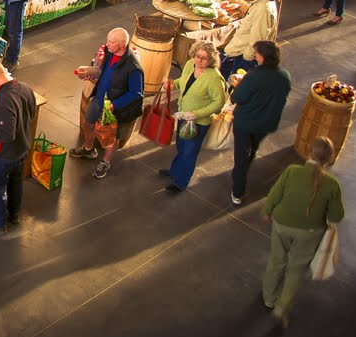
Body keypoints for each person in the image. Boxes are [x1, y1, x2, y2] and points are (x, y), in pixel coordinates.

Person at [260, 137, 344, 328]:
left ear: (309, 152)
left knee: (277, 259)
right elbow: (337, 215)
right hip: (310, 232)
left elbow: (275, 193)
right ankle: (281, 307)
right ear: (329, 158)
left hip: (282, 223)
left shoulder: (292, 172)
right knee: (296, 270)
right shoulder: (332, 185)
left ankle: (268, 297)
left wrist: (267, 211)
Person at [69, 27, 144, 179]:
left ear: (122, 44)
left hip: (116, 107)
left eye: (111, 42)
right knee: (88, 123)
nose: (107, 44)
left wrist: (115, 104)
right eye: (108, 40)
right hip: (100, 99)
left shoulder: (133, 67)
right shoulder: (110, 53)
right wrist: (92, 75)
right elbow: (104, 72)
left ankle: (105, 162)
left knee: (111, 137)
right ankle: (88, 149)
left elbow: (136, 93)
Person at [0, 61, 37, 236]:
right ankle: (14, 214)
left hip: (4, 155)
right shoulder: (25, 88)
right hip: (22, 148)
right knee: (16, 182)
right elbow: (27, 114)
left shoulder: (3, 100)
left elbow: (5, 135)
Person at [229, 40, 291, 205]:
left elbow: (238, 98)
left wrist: (237, 86)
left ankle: (237, 191)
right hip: (266, 123)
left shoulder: (254, 76)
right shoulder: (284, 76)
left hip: (246, 122)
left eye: (256, 53)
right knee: (252, 149)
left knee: (241, 155)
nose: (255, 55)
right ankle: (246, 162)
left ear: (262, 57)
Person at [160, 41, 226, 192]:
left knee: (190, 152)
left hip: (198, 122)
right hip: (183, 116)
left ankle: (181, 182)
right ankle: (175, 171)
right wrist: (173, 84)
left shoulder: (214, 78)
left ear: (211, 60)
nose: (199, 61)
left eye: (204, 58)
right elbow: (184, 81)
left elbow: (218, 103)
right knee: (181, 146)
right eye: (197, 56)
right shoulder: (190, 65)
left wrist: (196, 114)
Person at [220, 0, 277, 78]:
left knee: (236, 84)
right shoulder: (264, 1)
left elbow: (258, 38)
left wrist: (247, 57)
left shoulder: (263, 9)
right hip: (240, 50)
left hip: (243, 55)